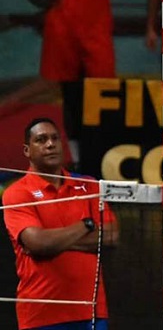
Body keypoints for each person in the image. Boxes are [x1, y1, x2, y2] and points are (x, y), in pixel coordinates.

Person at [3, 0, 126, 171]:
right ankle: (78, 154)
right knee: (70, 92)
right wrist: (38, 0)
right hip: (62, 24)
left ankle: (103, 150)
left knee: (101, 89)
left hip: (94, 24)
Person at [2, 118, 119, 330]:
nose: (50, 144)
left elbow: (110, 236)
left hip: (91, 311)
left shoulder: (89, 185)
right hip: (41, 313)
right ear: (27, 150)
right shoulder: (17, 193)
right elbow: (37, 243)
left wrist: (53, 242)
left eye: (55, 138)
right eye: (41, 139)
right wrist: (87, 224)